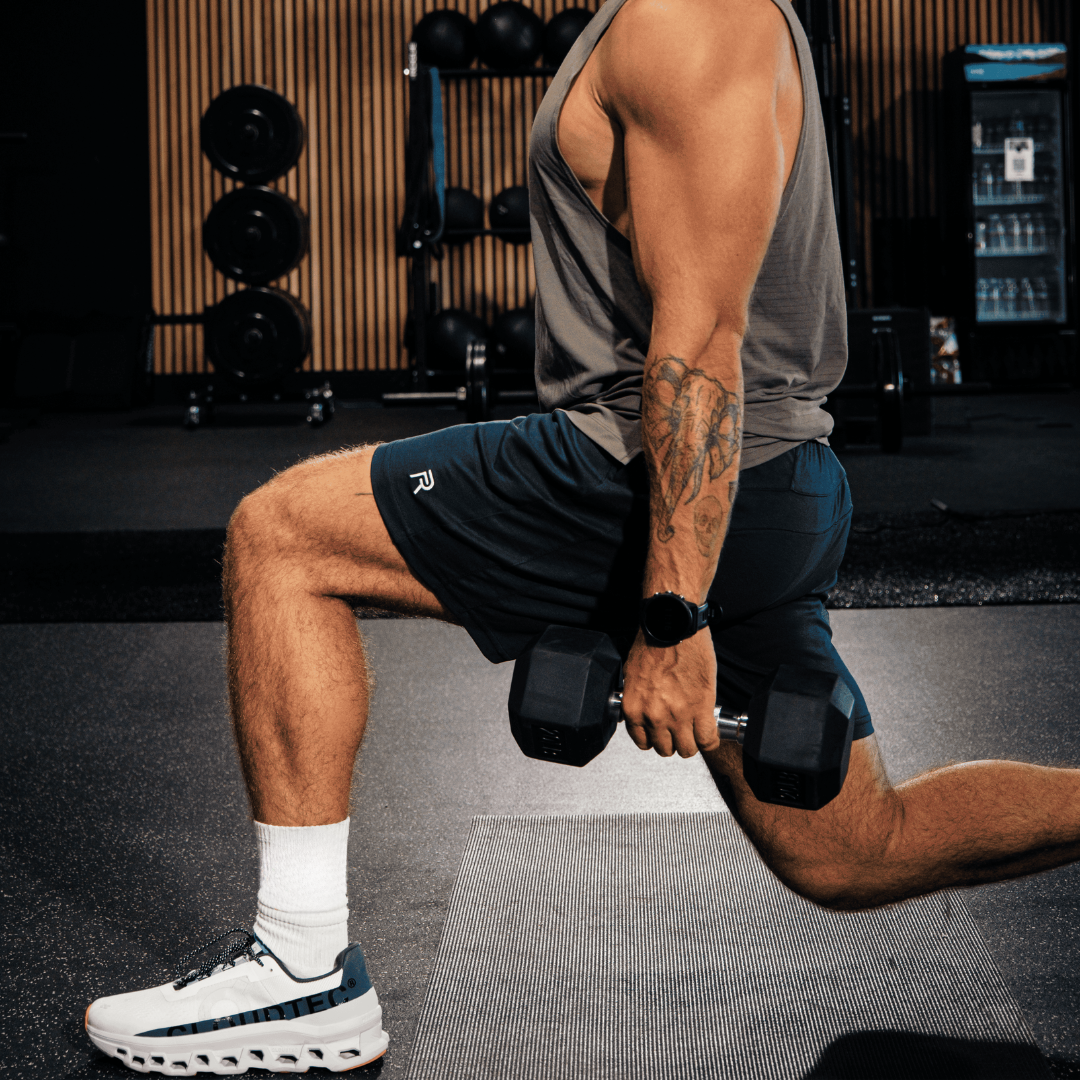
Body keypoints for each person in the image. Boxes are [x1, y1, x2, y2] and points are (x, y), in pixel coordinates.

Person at [85, 0, 1080, 1070]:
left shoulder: (687, 19)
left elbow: (700, 342)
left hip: (638, 468)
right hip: (775, 482)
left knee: (283, 536)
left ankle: (299, 975)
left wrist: (670, 614)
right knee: (851, 852)